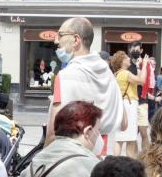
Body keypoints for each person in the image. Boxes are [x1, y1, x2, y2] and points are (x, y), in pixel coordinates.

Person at [46, 18, 124, 148]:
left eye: (60, 35)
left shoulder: (65, 76)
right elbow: (123, 122)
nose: (55, 40)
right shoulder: (109, 75)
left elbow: (52, 134)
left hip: (71, 156)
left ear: (76, 40)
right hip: (97, 155)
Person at [112, 50, 148, 158]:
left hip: (121, 104)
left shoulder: (117, 74)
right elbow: (142, 80)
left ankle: (114, 161)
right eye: (126, 58)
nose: (129, 59)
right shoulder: (126, 73)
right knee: (131, 137)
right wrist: (145, 64)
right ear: (122, 61)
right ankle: (130, 162)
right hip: (129, 104)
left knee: (119, 138)